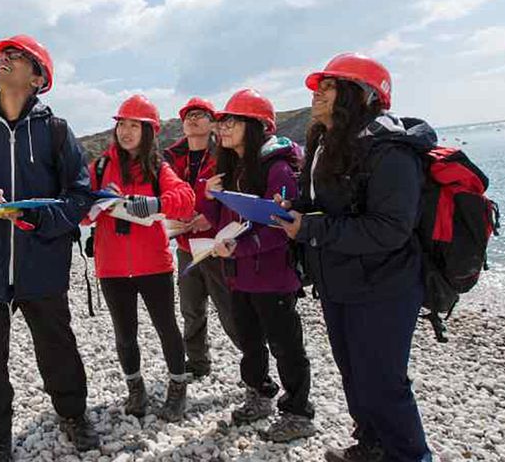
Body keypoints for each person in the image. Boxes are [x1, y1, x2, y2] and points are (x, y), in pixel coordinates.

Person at [0, 34, 99, 460]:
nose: (3, 60)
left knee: (56, 345)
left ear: (38, 77)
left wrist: (31, 218)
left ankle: (72, 415)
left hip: (42, 260)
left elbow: (80, 198)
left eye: (15, 56)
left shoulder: (56, 131)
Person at [275, 53, 434, 462]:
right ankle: (372, 446)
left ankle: (412, 456)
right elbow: (326, 205)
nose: (316, 93)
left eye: (328, 86)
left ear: (359, 95)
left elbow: (389, 229)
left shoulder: (390, 152)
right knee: (354, 375)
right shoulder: (325, 144)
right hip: (339, 279)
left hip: (386, 284)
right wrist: (290, 209)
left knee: (383, 381)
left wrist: (308, 228)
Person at [199, 89, 316, 442]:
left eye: (231, 120)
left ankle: (298, 413)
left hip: (273, 277)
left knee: (285, 346)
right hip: (238, 276)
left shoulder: (278, 168)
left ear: (256, 126)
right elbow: (215, 221)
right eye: (222, 120)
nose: (222, 127)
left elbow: (283, 229)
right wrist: (208, 197)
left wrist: (238, 249)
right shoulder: (230, 169)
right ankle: (258, 395)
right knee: (249, 343)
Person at [87, 94, 195, 422]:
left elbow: (185, 200)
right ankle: (135, 389)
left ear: (148, 131)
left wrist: (153, 203)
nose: (127, 131)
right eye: (122, 124)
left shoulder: (158, 167)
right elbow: (79, 210)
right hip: (112, 267)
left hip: (154, 265)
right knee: (124, 334)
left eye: (135, 125)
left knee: (167, 328)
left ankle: (178, 388)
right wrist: (96, 203)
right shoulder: (100, 167)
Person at [163, 97, 242, 379]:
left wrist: (209, 215)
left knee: (229, 309)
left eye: (200, 115)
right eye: (188, 116)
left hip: (217, 245)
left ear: (213, 124)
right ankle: (197, 362)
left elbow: (234, 195)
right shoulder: (171, 160)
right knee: (190, 309)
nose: (193, 119)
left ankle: (255, 362)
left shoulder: (225, 155)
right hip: (185, 245)